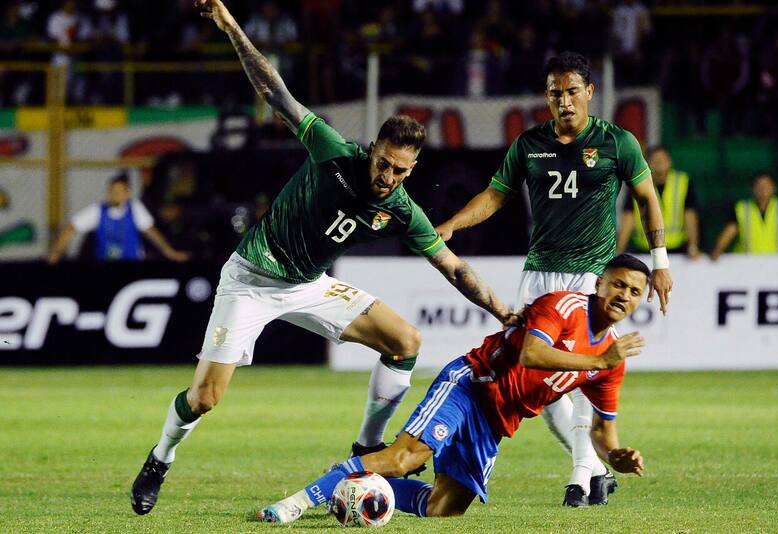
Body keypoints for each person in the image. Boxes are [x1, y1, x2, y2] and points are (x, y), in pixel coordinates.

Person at [129, 0, 514, 516]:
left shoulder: (401, 208)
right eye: (383, 163)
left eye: (400, 171)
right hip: (251, 279)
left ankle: (363, 451)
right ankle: (160, 456)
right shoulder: (332, 151)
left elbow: (454, 267)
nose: (387, 177)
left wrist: (503, 312)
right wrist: (230, 26)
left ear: (412, 167)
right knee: (204, 398)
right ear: (372, 148)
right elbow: (275, 91)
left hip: (308, 285)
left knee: (405, 341)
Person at [434, 51, 672, 506]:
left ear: (589, 92)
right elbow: (494, 195)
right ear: (547, 96)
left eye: (572, 91)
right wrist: (453, 225)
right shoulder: (529, 144)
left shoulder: (616, 142)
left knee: (582, 377)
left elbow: (646, 196)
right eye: (554, 93)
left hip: (591, 278)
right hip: (538, 275)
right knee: (534, 380)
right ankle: (594, 467)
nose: (564, 101)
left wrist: (659, 261)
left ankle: (581, 477)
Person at [260, 254, 649, 523]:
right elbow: (532, 353)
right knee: (404, 458)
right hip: (471, 384)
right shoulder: (562, 306)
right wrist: (598, 361)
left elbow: (601, 432)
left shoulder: (611, 360)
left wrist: (615, 456)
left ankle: (352, 479)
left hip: (496, 422)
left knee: (444, 508)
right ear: (599, 283)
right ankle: (293, 504)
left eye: (634, 292)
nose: (623, 296)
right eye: (618, 284)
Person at [47, 173, 190, 264]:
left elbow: (151, 232)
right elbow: (71, 228)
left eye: (120, 192)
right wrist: (56, 252)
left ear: (127, 193)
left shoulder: (135, 209)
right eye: (113, 192)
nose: (116, 195)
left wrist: (170, 253)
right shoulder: (98, 211)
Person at [617, 145, 702, 258]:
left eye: (663, 160)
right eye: (655, 161)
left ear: (670, 162)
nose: (659, 164)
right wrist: (618, 250)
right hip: (645, 252)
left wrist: (693, 246)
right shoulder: (636, 184)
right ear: (646, 163)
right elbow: (628, 217)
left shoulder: (682, 181)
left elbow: (690, 215)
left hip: (676, 251)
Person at [710, 172, 778, 260]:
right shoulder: (741, 208)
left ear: (774, 188)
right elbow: (729, 232)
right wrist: (718, 249)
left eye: (766, 186)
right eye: (759, 186)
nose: (763, 189)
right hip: (748, 264)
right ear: (752, 189)